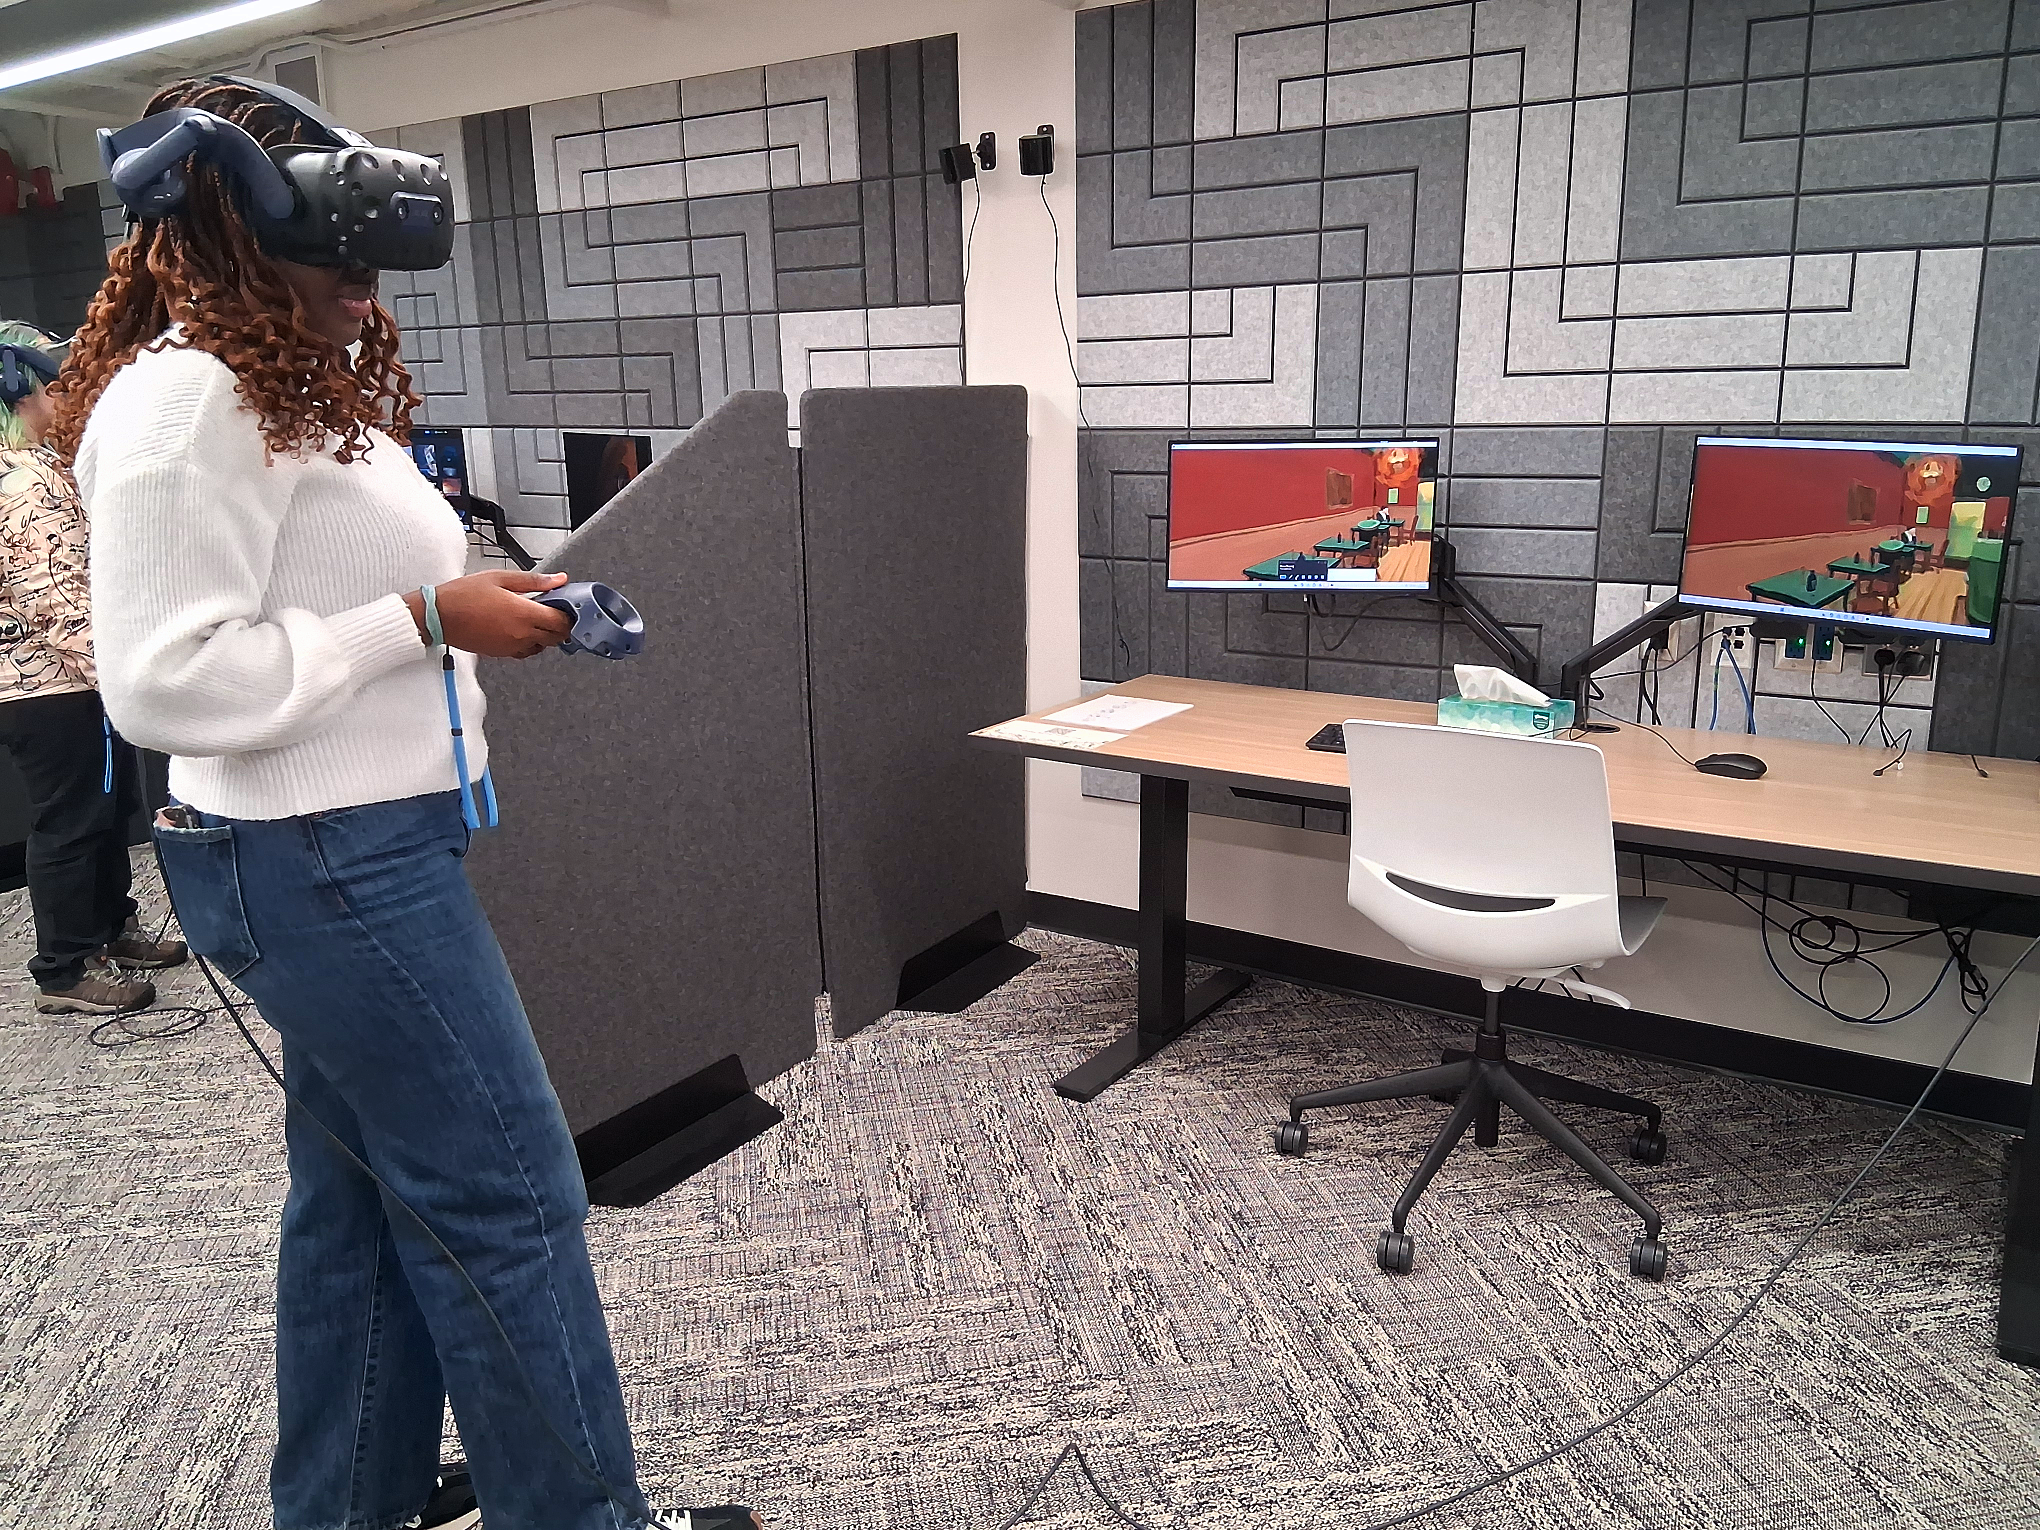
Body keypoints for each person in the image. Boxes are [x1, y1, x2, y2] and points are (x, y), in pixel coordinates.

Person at [49, 79, 761, 1530]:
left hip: (358, 846)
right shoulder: (186, 404)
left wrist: (473, 599)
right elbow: (163, 683)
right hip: (322, 860)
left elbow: (326, 587)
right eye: (340, 258)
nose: (367, 290)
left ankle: (342, 1506)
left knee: (367, 1203)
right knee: (511, 1197)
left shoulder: (283, 382)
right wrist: (424, 620)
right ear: (234, 228)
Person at [0, 318, 183, 1014]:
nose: (67, 393)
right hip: (53, 686)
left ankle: (110, 929)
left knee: (106, 809)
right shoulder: (24, 483)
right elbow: (57, 599)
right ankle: (66, 967)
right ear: (21, 394)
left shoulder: (38, 470)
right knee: (74, 821)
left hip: (60, 681)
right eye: (54, 384)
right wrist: (125, 677)